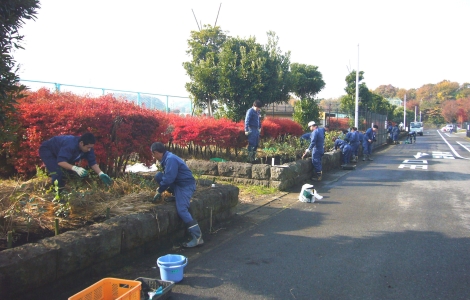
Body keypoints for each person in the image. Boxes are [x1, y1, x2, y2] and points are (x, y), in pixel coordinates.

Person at [151, 142, 203, 248]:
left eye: (153, 154)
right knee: (159, 176)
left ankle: (197, 237)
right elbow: (166, 177)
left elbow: (169, 178)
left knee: (182, 210)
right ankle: (176, 196)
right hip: (178, 183)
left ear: (156, 152)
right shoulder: (167, 158)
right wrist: (161, 188)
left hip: (185, 186)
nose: (153, 157)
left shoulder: (170, 159)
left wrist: (160, 191)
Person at [38, 132, 112, 190]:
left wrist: (101, 173)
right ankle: (57, 195)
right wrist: (75, 168)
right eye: (88, 147)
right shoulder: (70, 145)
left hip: (60, 153)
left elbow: (92, 162)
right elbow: (61, 161)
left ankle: (64, 189)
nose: (89, 150)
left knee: (70, 173)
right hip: (48, 151)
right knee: (58, 172)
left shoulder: (88, 148)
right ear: (81, 143)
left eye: (91, 148)